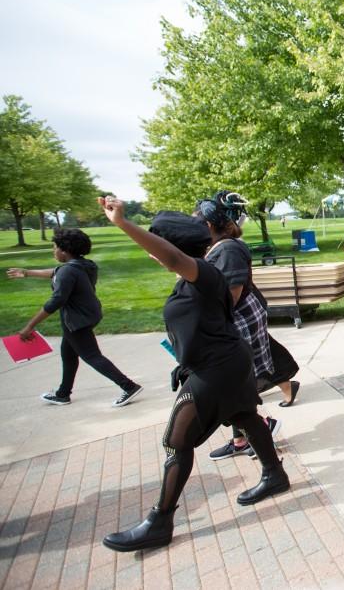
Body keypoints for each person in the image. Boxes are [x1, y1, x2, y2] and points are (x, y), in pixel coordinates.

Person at [99, 198, 287, 552]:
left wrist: (123, 224)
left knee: (177, 441)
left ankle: (160, 521)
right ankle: (275, 474)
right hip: (225, 362)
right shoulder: (198, 276)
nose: (154, 253)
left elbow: (172, 258)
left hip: (218, 369)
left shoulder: (204, 273)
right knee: (245, 416)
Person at [195, 192, 292, 461]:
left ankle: (261, 428)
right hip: (232, 319)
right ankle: (240, 439)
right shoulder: (216, 247)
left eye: (196, 220)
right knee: (235, 384)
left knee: (234, 384)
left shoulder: (228, 249)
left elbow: (231, 295)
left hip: (238, 319)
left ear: (209, 225)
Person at [8, 229, 142, 407]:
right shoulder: (84, 265)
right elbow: (56, 272)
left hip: (76, 320)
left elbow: (56, 300)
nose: (53, 251)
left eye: (54, 247)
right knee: (68, 354)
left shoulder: (68, 271)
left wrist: (29, 325)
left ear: (64, 250)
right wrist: (27, 272)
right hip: (87, 314)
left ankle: (129, 386)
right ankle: (63, 394)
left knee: (92, 356)